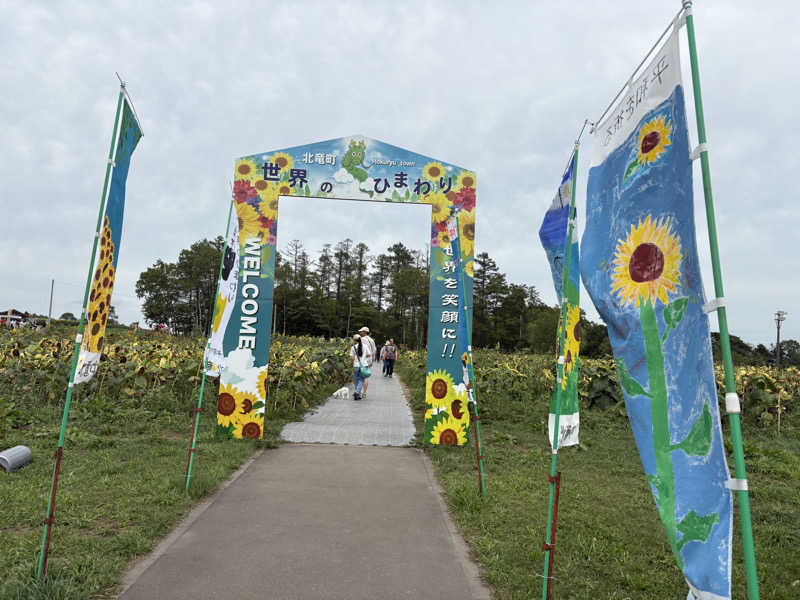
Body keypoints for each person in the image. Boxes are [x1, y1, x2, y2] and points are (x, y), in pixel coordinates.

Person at [358, 326, 376, 398]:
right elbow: (374, 350)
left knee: (360, 376)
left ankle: (358, 391)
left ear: (364, 332)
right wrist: (372, 360)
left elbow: (359, 349)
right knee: (365, 376)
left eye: (361, 331)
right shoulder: (372, 340)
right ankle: (364, 392)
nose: (360, 332)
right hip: (369, 360)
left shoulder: (362, 339)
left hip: (363, 359)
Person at [350, 334, 366, 400]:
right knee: (361, 380)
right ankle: (358, 394)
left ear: (354, 340)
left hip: (356, 365)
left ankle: (357, 393)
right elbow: (369, 355)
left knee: (356, 380)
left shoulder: (353, 347)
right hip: (363, 365)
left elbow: (352, 358)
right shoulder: (365, 346)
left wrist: (352, 365)